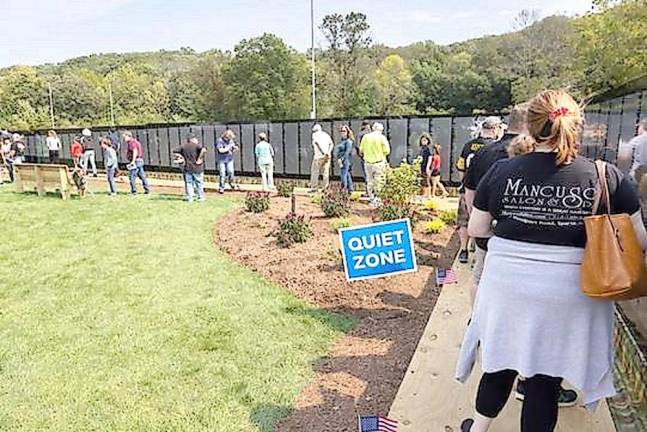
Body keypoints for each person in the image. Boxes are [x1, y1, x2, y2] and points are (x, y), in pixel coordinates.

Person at [456, 90, 647, 432]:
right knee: (544, 378)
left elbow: (478, 227)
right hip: (572, 291)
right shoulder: (604, 175)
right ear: (578, 126)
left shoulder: (502, 170)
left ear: (529, 126)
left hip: (508, 287)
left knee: (500, 363)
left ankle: (479, 428)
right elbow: (639, 240)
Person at [455, 117, 502, 264]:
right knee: (485, 222)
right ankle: (478, 253)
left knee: (464, 220)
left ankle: (463, 250)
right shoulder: (495, 148)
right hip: (487, 191)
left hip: (468, 187)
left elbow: (461, 167)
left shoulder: (468, 145)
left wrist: (464, 183)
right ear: (495, 130)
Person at [359, 122, 390, 206]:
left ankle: (371, 198)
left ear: (373, 128)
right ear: (381, 130)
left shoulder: (365, 137)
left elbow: (361, 150)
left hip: (368, 163)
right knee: (379, 181)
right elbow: (387, 151)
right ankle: (378, 200)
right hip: (379, 162)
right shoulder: (382, 138)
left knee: (369, 181)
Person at [173, 133, 206, 202]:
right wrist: (199, 158)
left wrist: (181, 157)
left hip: (188, 168)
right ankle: (201, 197)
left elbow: (175, 151)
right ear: (193, 139)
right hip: (197, 168)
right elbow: (203, 150)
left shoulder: (183, 146)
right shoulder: (197, 145)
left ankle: (190, 198)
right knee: (199, 183)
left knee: (189, 183)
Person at [123, 130, 151, 195]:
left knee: (132, 176)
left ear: (128, 136)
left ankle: (134, 191)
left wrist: (133, 161)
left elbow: (135, 151)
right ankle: (147, 190)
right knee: (142, 176)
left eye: (124, 137)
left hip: (136, 161)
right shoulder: (136, 141)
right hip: (140, 160)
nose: (124, 139)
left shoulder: (131, 142)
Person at [310, 124, 334, 192]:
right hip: (327, 156)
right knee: (325, 172)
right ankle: (325, 188)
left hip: (318, 157)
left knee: (315, 172)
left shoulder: (315, 135)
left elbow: (317, 144)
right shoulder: (326, 134)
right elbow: (331, 144)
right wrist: (328, 153)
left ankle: (314, 188)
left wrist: (323, 153)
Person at [216, 129, 239, 194]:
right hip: (221, 160)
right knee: (222, 173)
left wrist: (234, 148)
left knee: (231, 171)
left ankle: (231, 183)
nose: (229, 140)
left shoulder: (231, 141)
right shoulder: (219, 141)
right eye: (228, 138)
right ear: (226, 136)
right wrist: (228, 148)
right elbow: (220, 150)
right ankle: (221, 187)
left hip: (229, 159)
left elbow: (233, 147)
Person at [335, 125, 355, 192]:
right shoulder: (342, 141)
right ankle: (351, 189)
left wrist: (341, 159)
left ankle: (344, 189)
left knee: (343, 175)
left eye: (344, 131)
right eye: (341, 131)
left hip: (345, 160)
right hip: (341, 159)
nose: (342, 133)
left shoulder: (348, 141)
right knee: (347, 174)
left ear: (347, 132)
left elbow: (347, 152)